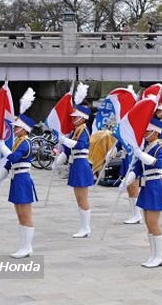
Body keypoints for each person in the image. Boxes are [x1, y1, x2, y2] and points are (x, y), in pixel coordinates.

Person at [120, 118, 162, 267]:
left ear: (156, 132)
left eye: (148, 131)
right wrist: (126, 181)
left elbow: (159, 163)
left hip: (155, 187)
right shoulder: (146, 147)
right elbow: (137, 169)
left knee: (153, 223)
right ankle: (153, 255)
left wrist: (141, 155)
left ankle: (160, 256)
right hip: (146, 187)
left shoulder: (160, 147)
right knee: (148, 224)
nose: (145, 134)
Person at [0, 89, 38, 258]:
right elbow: (8, 164)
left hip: (23, 180)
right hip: (16, 179)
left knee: (25, 214)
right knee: (19, 214)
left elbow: (13, 158)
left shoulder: (25, 143)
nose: (14, 130)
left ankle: (27, 247)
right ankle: (23, 246)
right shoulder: (18, 142)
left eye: (17, 128)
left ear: (24, 130)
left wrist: (2, 146)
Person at [54, 98, 95, 238]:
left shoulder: (84, 131)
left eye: (76, 117)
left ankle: (86, 228)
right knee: (79, 198)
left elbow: (79, 145)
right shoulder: (75, 131)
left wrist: (64, 140)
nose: (73, 119)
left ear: (83, 119)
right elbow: (67, 151)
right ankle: (84, 227)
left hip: (82, 164)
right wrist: (57, 163)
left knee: (82, 198)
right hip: (76, 164)